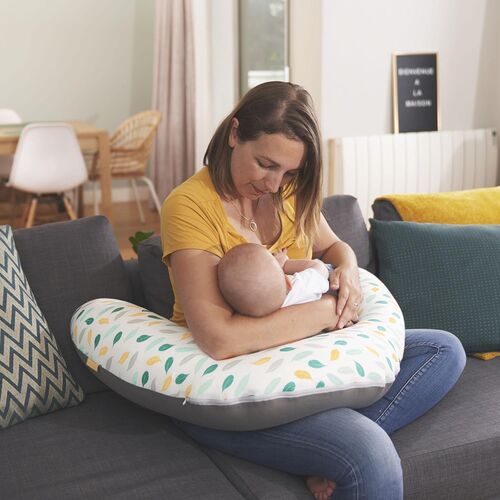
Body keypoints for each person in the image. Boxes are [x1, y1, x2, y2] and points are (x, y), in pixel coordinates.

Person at [161, 81, 466, 500]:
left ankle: (323, 444)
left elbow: (333, 246)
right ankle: (336, 442)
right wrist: (328, 311)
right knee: (369, 455)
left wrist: (349, 269)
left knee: (443, 350)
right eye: (265, 164)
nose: (274, 183)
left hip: (309, 364)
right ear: (234, 134)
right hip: (236, 390)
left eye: (290, 172)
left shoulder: (287, 192)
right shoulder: (189, 206)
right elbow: (219, 339)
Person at [217, 243, 331, 317]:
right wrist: (285, 263)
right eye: (272, 258)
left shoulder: (249, 312)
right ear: (287, 282)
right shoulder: (298, 288)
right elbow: (321, 270)